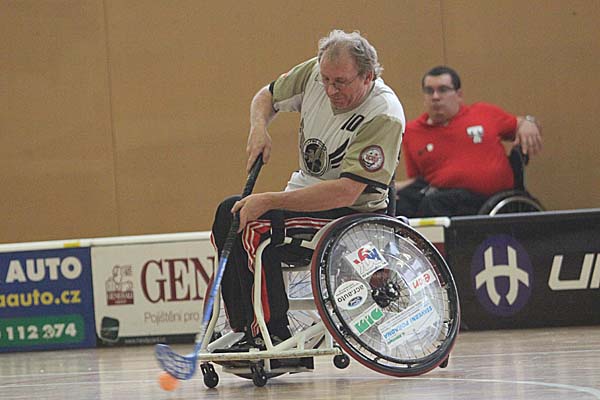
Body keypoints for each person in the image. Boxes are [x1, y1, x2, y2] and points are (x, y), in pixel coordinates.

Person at [211, 30, 405, 349]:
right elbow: (266, 96)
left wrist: (269, 200)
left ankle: (273, 332)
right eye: (326, 79)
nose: (330, 89)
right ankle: (245, 327)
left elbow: (346, 192)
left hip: (349, 214)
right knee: (229, 213)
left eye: (340, 82)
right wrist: (259, 129)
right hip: (305, 202)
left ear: (368, 76)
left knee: (256, 224)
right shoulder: (314, 73)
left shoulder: (382, 114)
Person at [395, 65, 543, 217]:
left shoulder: (484, 113)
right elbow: (418, 181)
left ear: (459, 95)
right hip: (440, 193)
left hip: (484, 198)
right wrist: (394, 188)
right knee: (399, 202)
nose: (435, 97)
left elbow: (521, 124)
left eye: (443, 90)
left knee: (434, 202)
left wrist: (528, 122)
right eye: (429, 91)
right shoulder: (412, 132)